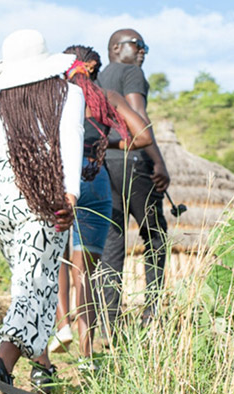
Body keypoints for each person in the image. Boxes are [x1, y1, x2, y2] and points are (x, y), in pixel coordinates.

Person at [0, 29, 84, 394]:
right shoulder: (67, 95)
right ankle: (0, 368)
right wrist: (69, 196)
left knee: (29, 285)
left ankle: (44, 371)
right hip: (41, 200)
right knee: (38, 287)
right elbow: (72, 140)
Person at [49, 46, 154, 368]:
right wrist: (103, 142)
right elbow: (143, 137)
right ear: (93, 67)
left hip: (60, 179)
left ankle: (61, 327)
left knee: (56, 262)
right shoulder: (107, 96)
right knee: (87, 272)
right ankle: (86, 353)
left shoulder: (55, 96)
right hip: (95, 180)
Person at [96, 28, 170, 329]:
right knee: (156, 235)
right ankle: (151, 314)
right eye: (138, 45)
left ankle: (108, 322)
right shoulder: (131, 73)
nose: (142, 52)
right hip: (134, 161)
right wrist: (159, 161)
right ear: (116, 47)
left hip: (103, 165)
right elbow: (139, 118)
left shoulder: (96, 80)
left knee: (112, 239)